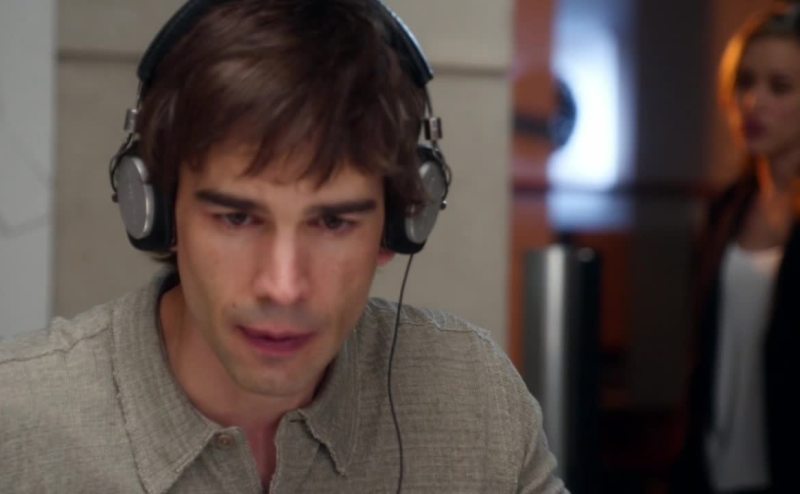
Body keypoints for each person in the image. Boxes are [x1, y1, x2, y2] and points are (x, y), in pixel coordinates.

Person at [0, 1, 566, 492]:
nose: (283, 285)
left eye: (334, 223)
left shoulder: (475, 399)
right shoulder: (18, 423)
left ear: (399, 223)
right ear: (157, 211)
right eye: (237, 218)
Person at [673, 3, 800, 493]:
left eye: (779, 87)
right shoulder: (725, 210)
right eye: (745, 82)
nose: (754, 101)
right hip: (716, 470)